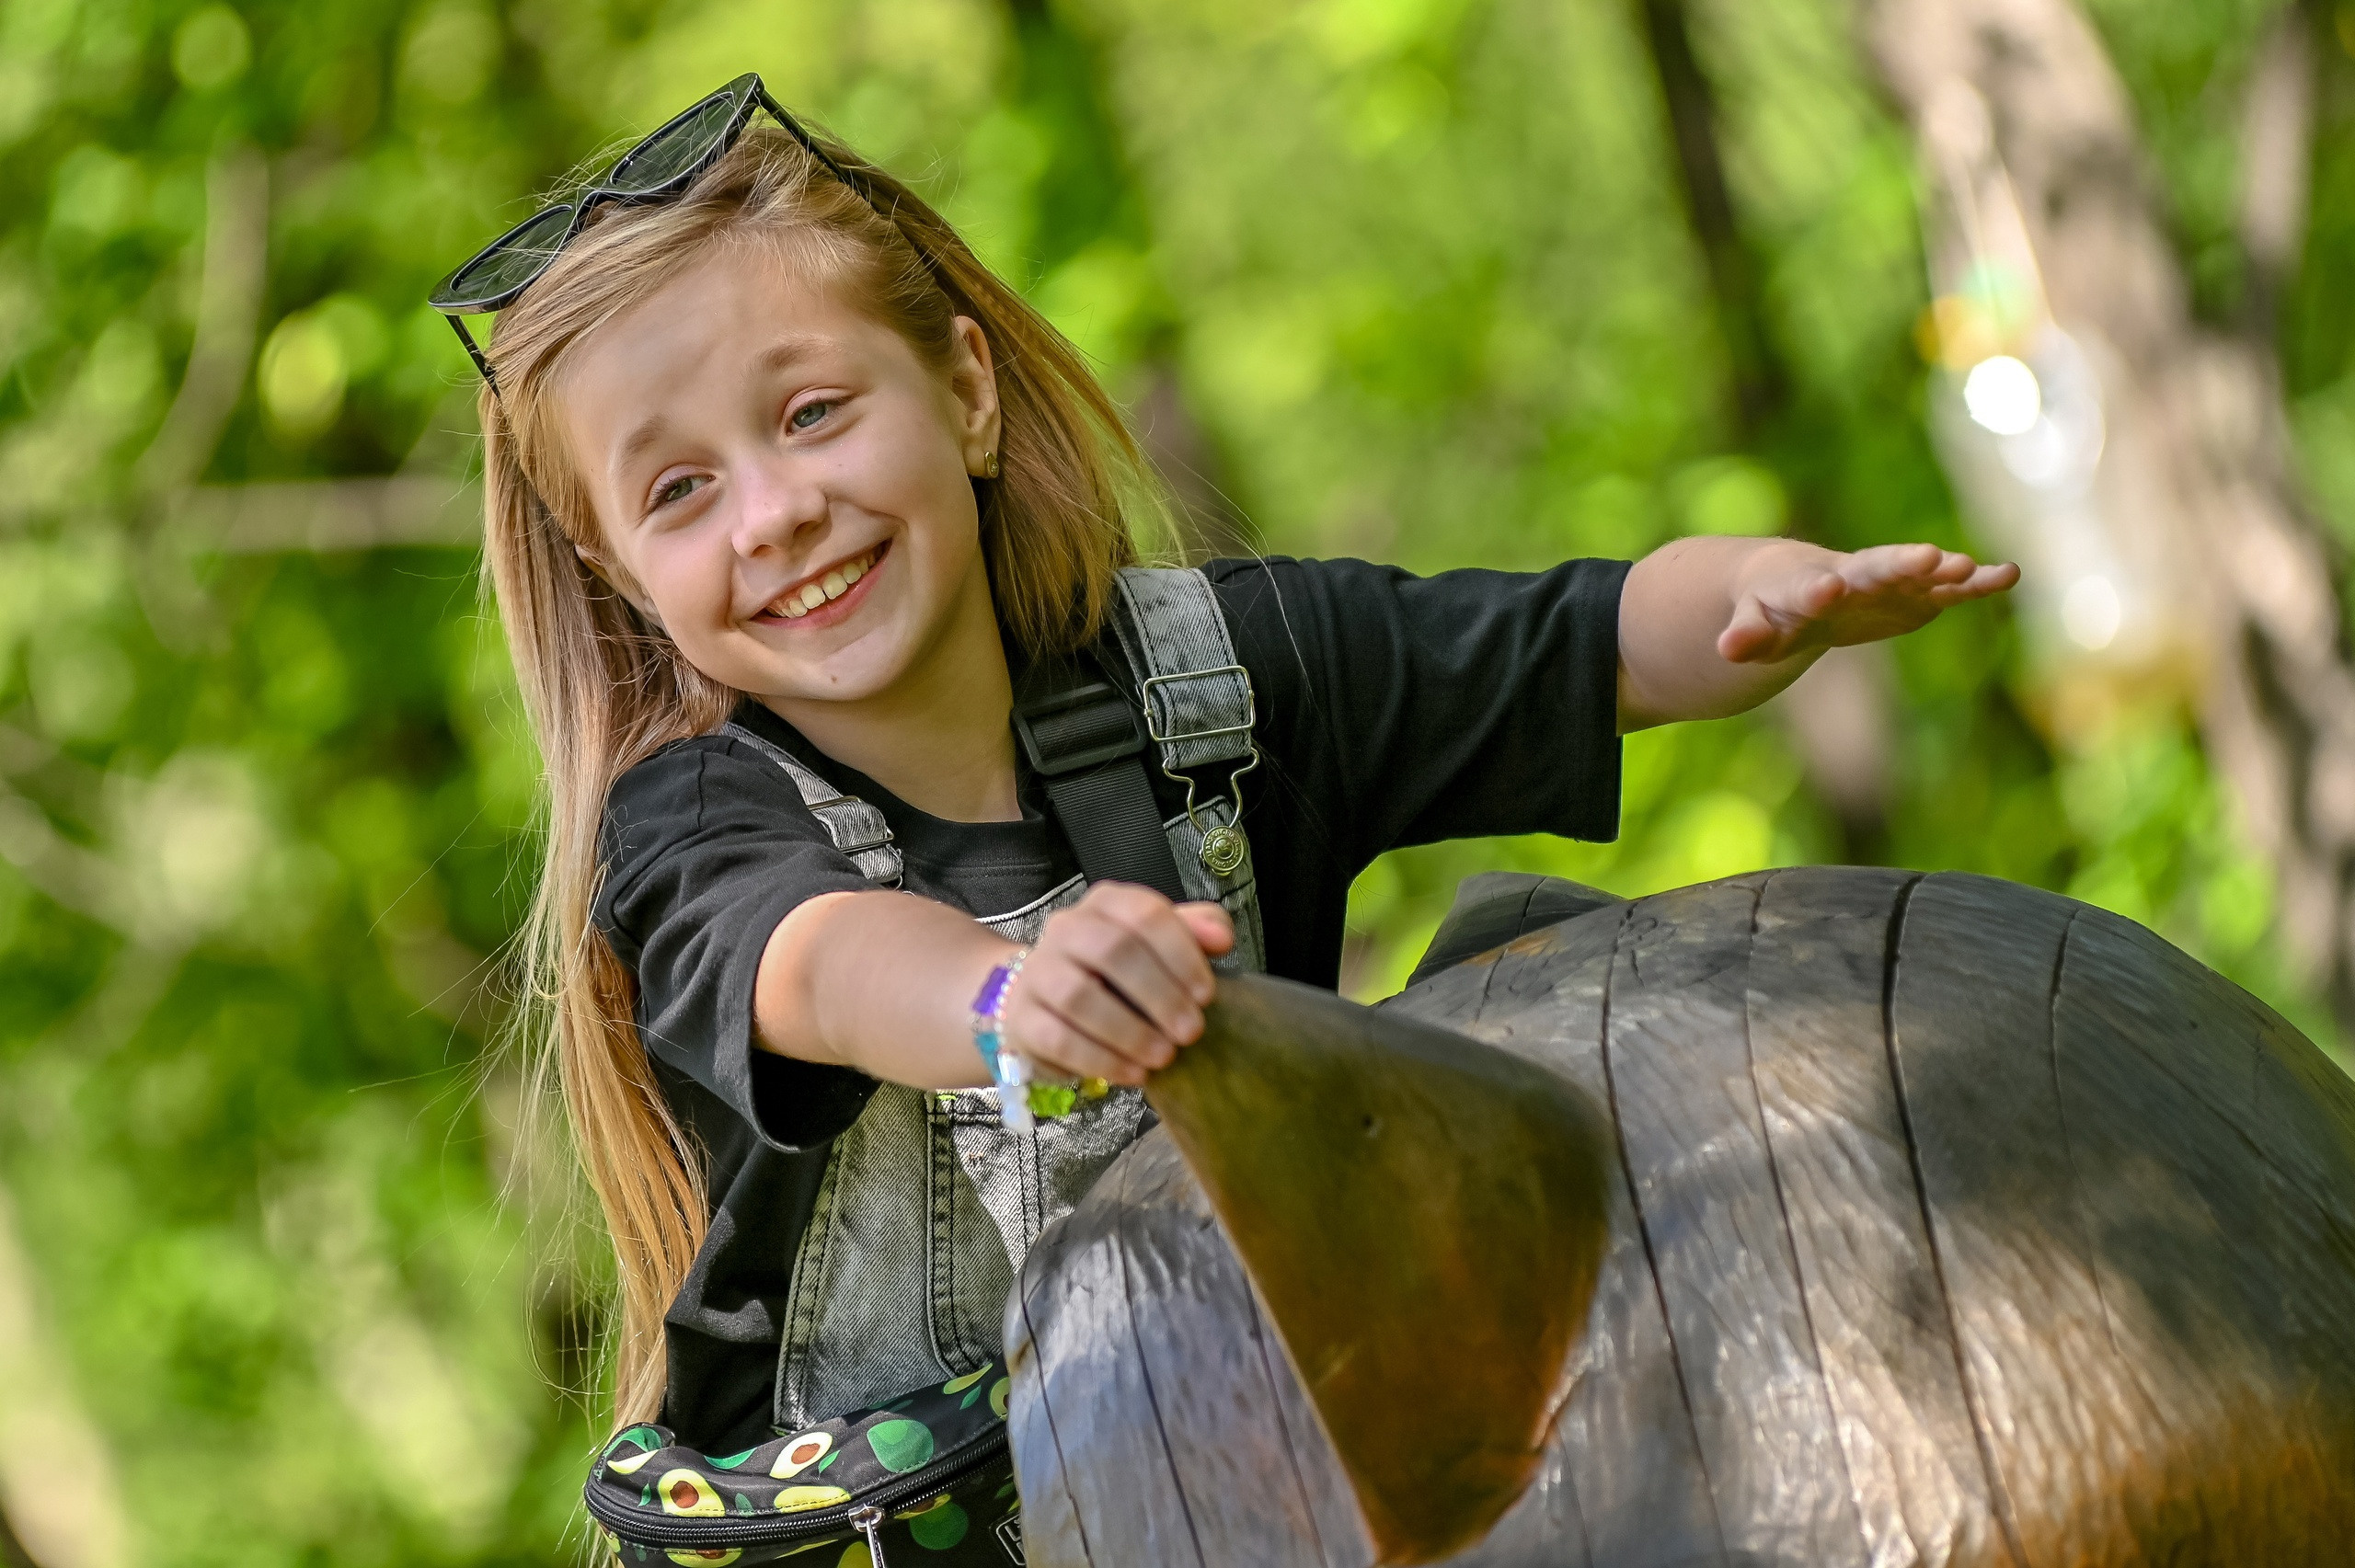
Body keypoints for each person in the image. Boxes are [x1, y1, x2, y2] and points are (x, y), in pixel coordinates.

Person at [444, 80, 2016, 1459]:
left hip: (1271, 1443)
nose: (771, 512)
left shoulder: (1222, 677)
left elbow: (1573, 640)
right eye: (680, 491)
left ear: (967, 394)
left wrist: (1747, 597)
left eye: (811, 413)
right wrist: (1009, 1002)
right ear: (623, 571)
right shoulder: (694, 824)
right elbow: (820, 966)